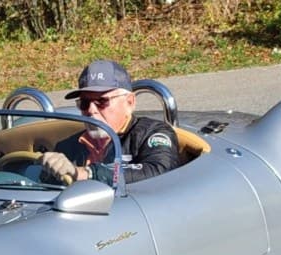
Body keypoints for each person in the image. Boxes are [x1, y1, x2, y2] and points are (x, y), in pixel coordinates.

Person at [40, 59, 180, 185]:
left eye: (102, 101)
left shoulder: (153, 134)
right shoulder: (67, 146)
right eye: (84, 103)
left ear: (129, 102)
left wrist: (85, 173)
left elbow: (160, 170)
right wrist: (48, 170)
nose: (91, 110)